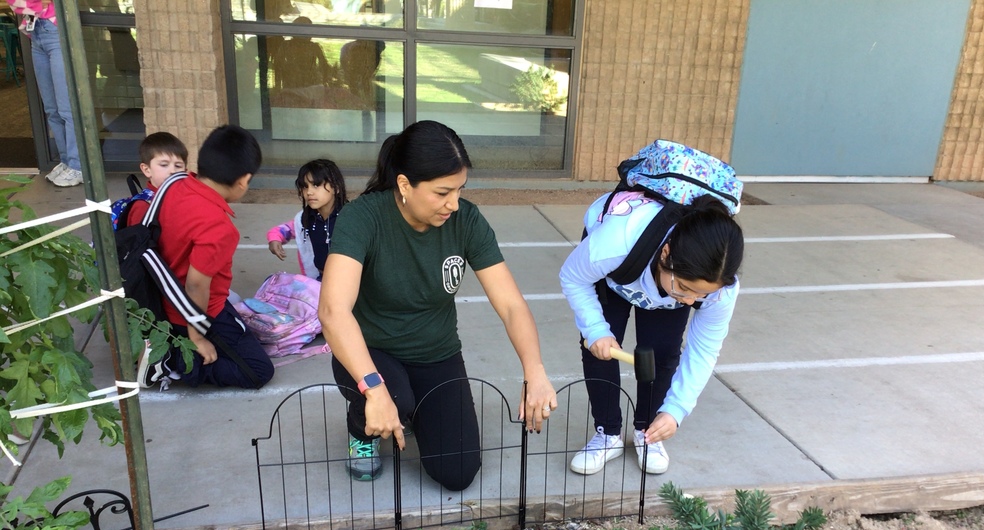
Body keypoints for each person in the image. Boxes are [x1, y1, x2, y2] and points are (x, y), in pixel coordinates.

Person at [318, 120, 557, 490]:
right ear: (404, 185)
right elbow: (333, 311)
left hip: (435, 351)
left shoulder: (466, 221)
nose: (454, 203)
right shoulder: (362, 218)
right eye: (443, 192)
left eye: (460, 190)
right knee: (391, 396)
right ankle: (362, 428)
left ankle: (406, 409)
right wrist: (374, 389)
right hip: (370, 351)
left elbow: (511, 304)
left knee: (457, 473)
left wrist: (535, 371)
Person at [559, 192, 744, 475]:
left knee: (662, 351)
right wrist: (596, 330)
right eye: (685, 288)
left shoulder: (720, 289)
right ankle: (607, 433)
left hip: (661, 274)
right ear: (667, 253)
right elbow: (573, 276)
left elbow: (704, 350)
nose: (690, 301)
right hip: (623, 271)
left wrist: (676, 409)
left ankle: (648, 432)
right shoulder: (617, 242)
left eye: (701, 294)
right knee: (601, 348)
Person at [130, 125, 275, 390]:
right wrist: (197, 338)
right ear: (243, 181)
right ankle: (170, 360)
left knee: (246, 332)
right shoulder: (218, 228)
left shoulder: (177, 182)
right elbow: (196, 285)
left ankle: (170, 343)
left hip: (159, 293)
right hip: (191, 310)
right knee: (258, 370)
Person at [11, 0, 81, 187]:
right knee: (52, 108)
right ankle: (67, 161)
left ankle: (78, 165)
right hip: (36, 30)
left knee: (67, 108)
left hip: (55, 29)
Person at [266, 158, 346, 280]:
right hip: (320, 279)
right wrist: (275, 239)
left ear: (336, 188)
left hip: (350, 282)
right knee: (272, 281)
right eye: (304, 186)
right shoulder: (306, 218)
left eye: (316, 185)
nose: (309, 192)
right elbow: (286, 229)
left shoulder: (351, 217)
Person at [110, 132, 188, 229]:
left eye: (178, 166)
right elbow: (141, 243)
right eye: (164, 165)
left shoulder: (184, 198)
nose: (173, 171)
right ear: (147, 170)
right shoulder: (142, 207)